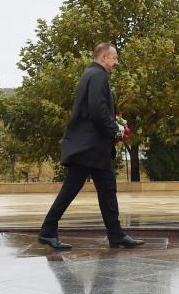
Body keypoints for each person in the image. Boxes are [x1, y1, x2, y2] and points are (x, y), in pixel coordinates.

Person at [38, 43, 144, 250]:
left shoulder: (90, 74)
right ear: (104, 57)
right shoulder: (98, 76)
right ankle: (47, 231)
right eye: (114, 58)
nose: (116, 63)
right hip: (88, 148)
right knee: (71, 189)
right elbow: (97, 109)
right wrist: (116, 129)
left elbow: (96, 109)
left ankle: (116, 235)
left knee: (107, 190)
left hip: (95, 149)